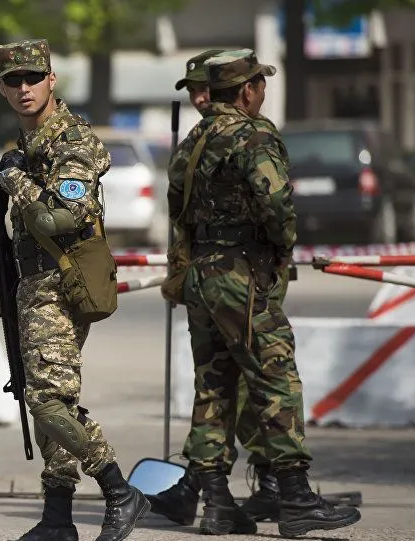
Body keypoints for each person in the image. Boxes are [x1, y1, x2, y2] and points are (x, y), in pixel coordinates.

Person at [165, 48, 361, 538]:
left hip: (203, 275)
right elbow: (275, 201)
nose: (263, 92)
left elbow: (177, 207)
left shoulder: (194, 139)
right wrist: (280, 245)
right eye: (260, 84)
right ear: (248, 89)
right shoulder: (254, 133)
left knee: (215, 383)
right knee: (276, 378)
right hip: (241, 272)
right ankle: (294, 498)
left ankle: (216, 504)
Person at [0, 38, 148, 541]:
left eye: (33, 78)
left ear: (51, 80)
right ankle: (58, 516)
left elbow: (62, 215)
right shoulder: (25, 148)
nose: (24, 89)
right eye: (13, 81)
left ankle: (119, 490)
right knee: (43, 393)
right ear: (2, 88)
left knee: (46, 399)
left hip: (64, 280)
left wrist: (15, 181)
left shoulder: (73, 141)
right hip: (33, 283)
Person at [147, 48, 283, 528]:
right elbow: (181, 219)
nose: (202, 99)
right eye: (194, 92)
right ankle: (263, 485)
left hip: (232, 273)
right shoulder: (214, 140)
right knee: (245, 381)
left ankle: (211, 488)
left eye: (207, 88)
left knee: (227, 383)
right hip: (231, 275)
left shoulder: (211, 139)